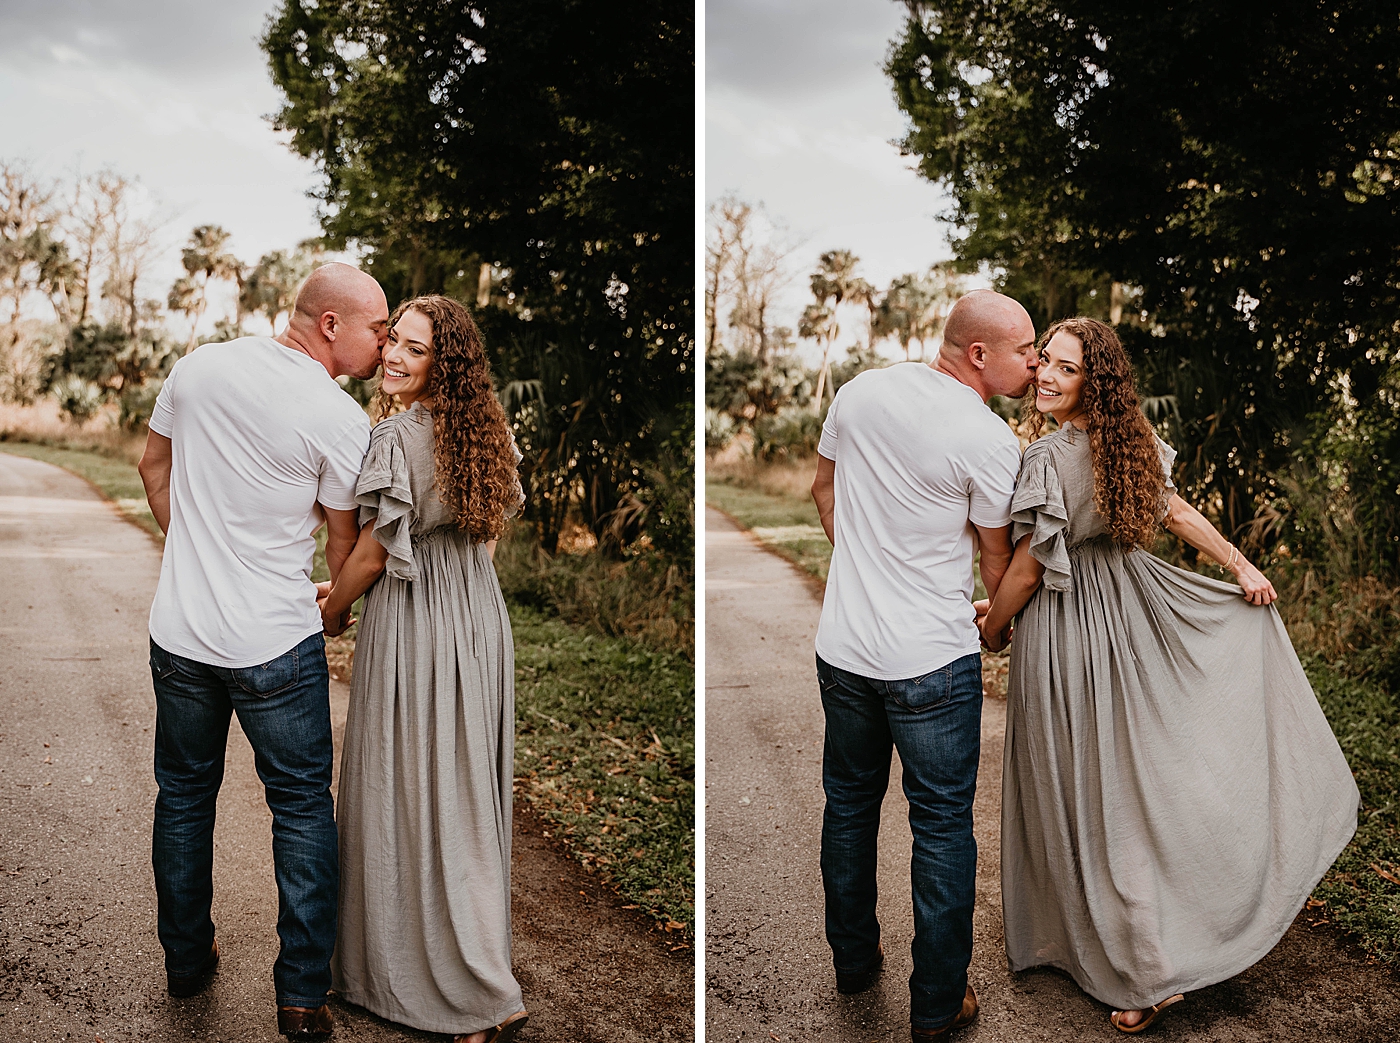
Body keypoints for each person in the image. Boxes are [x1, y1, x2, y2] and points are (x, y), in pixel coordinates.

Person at [977, 317, 1360, 1034]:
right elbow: (1175, 512)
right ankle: (1130, 942)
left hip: (1067, 633)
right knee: (1125, 782)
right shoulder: (1131, 442)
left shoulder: (1048, 458)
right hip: (1129, 614)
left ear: (1095, 379)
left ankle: (1142, 966)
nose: (1046, 377)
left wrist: (994, 628)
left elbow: (1029, 570)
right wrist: (1240, 563)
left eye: (1064, 367)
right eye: (1045, 364)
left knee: (1085, 789)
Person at [137, 263, 389, 1040]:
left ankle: (185, 960)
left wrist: (197, 555)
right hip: (275, 643)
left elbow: (152, 467)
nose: (383, 343)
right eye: (377, 328)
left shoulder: (199, 365)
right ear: (330, 326)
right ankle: (301, 996)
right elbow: (345, 543)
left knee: (183, 793)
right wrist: (334, 618)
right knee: (303, 806)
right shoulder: (340, 419)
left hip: (180, 633)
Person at [809, 290, 1038, 1041]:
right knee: (941, 826)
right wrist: (997, 632)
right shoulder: (989, 438)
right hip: (932, 662)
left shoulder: (861, 389)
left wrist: (864, 571)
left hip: (843, 649)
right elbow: (997, 556)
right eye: (1025, 350)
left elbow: (822, 489)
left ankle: (853, 962)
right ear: (980, 354)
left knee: (848, 801)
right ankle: (938, 1004)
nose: (1034, 362)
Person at [318, 295, 528, 1043]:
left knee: (404, 790)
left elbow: (374, 553)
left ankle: (465, 994)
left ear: (447, 361)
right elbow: (491, 534)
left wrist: (330, 607)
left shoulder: (397, 436)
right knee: (463, 791)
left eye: (415, 348)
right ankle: (472, 973)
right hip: (478, 617)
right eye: (393, 342)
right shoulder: (488, 432)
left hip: (413, 621)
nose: (396, 358)